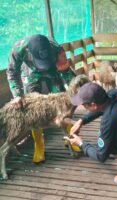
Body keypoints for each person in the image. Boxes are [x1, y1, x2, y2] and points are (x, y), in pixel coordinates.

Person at [7, 34, 76, 163]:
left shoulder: (57, 49)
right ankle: (39, 145)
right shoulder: (18, 49)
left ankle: (71, 138)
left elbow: (67, 74)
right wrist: (17, 95)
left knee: (63, 103)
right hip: (30, 72)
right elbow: (12, 72)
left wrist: (71, 91)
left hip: (52, 70)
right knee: (33, 109)